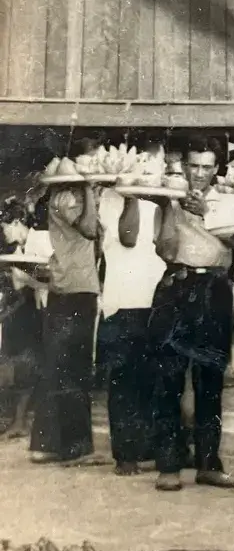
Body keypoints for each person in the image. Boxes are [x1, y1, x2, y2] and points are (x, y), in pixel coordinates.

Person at [147, 138, 234, 493]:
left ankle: (209, 465)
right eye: (193, 166)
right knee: (169, 378)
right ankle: (168, 466)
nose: (199, 173)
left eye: (206, 167)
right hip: (177, 285)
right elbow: (166, 251)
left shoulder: (228, 200)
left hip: (215, 289)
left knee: (210, 380)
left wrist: (208, 213)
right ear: (184, 167)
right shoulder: (168, 197)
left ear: (217, 169)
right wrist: (171, 207)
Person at [29, 139, 102, 465]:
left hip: (67, 286)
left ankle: (46, 445)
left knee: (58, 366)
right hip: (76, 288)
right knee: (75, 368)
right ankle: (76, 448)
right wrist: (88, 187)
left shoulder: (63, 195)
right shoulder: (70, 196)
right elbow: (90, 229)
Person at [100, 136, 166, 474]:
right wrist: (132, 193)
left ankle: (147, 449)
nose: (156, 170)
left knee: (151, 380)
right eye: (149, 163)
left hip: (154, 299)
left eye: (159, 164)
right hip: (123, 301)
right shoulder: (111, 197)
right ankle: (125, 455)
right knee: (124, 381)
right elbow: (128, 237)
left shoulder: (161, 200)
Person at [0, 199, 48, 438]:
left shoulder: (43, 239)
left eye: (5, 227)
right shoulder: (18, 251)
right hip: (39, 309)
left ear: (18, 222)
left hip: (58, 306)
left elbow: (53, 275)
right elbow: (20, 288)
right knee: (27, 364)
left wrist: (24, 272)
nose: (4, 233)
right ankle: (20, 421)